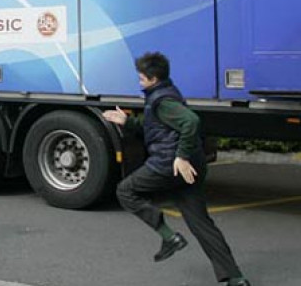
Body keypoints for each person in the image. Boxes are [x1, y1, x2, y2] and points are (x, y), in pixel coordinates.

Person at [103, 52, 250, 286]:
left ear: (152, 78)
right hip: (189, 168)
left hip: (169, 164)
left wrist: (180, 157)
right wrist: (128, 122)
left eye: (141, 78)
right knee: (201, 223)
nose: (139, 81)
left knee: (125, 191)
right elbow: (160, 128)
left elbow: (191, 122)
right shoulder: (166, 93)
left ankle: (169, 237)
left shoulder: (162, 101)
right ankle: (236, 278)